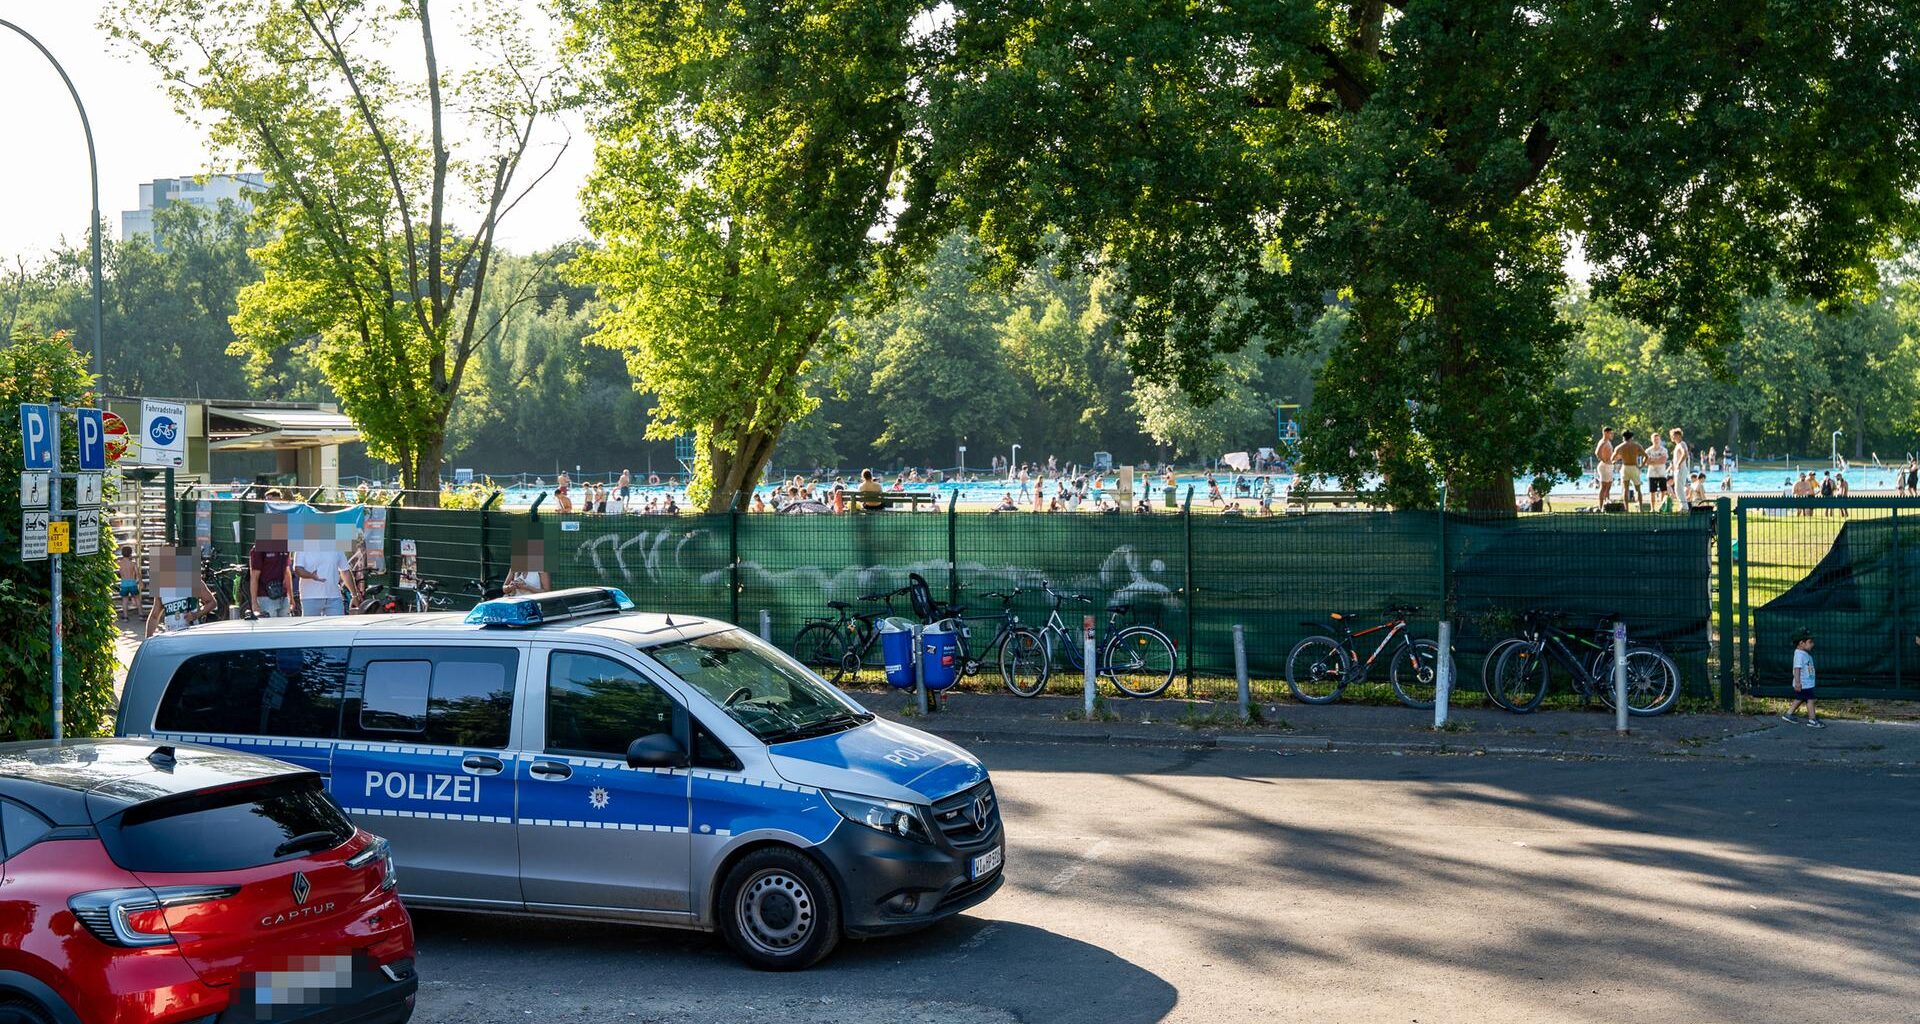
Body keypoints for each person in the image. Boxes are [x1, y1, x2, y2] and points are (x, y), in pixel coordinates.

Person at [293, 543, 351, 617]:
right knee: (311, 627)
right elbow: (298, 569)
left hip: (334, 597)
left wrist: (355, 595)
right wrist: (311, 576)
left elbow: (345, 571)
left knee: (337, 626)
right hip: (310, 597)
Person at [1783, 629, 1823, 727]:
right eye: (1810, 642)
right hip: (1804, 684)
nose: (1812, 644)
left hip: (1806, 683)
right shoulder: (1799, 655)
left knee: (1799, 699)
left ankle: (1788, 714)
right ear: (1801, 643)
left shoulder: (1803, 654)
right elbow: (1797, 669)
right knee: (1810, 700)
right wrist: (1797, 683)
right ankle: (1812, 720)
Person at [248, 534, 293, 618]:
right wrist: (254, 603)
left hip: (283, 596)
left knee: (286, 628)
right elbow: (254, 577)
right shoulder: (259, 548)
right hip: (265, 597)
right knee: (269, 627)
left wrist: (291, 597)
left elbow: (287, 572)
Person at [1613, 429, 1646, 508]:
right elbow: (1646, 456)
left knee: (1625, 489)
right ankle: (1641, 508)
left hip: (1625, 467)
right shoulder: (1637, 445)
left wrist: (1619, 458)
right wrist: (1641, 466)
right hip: (1634, 467)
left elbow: (1612, 458)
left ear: (1623, 438)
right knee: (1638, 489)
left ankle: (1626, 508)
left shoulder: (1619, 447)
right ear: (1631, 437)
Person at [116, 545, 140, 621]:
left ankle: (125, 616)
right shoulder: (133, 563)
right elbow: (137, 573)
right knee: (137, 599)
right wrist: (141, 582)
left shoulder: (119, 563)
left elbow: (118, 573)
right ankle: (141, 615)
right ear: (131, 553)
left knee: (124, 600)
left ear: (122, 553)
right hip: (132, 583)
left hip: (124, 584)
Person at [1593, 426, 1616, 507]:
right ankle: (1601, 506)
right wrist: (1603, 460)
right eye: (1611, 433)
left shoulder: (1608, 441)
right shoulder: (1603, 441)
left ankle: (1607, 504)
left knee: (1608, 486)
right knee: (1603, 487)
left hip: (1609, 466)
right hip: (1604, 466)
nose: (1612, 435)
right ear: (1606, 433)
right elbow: (1597, 452)